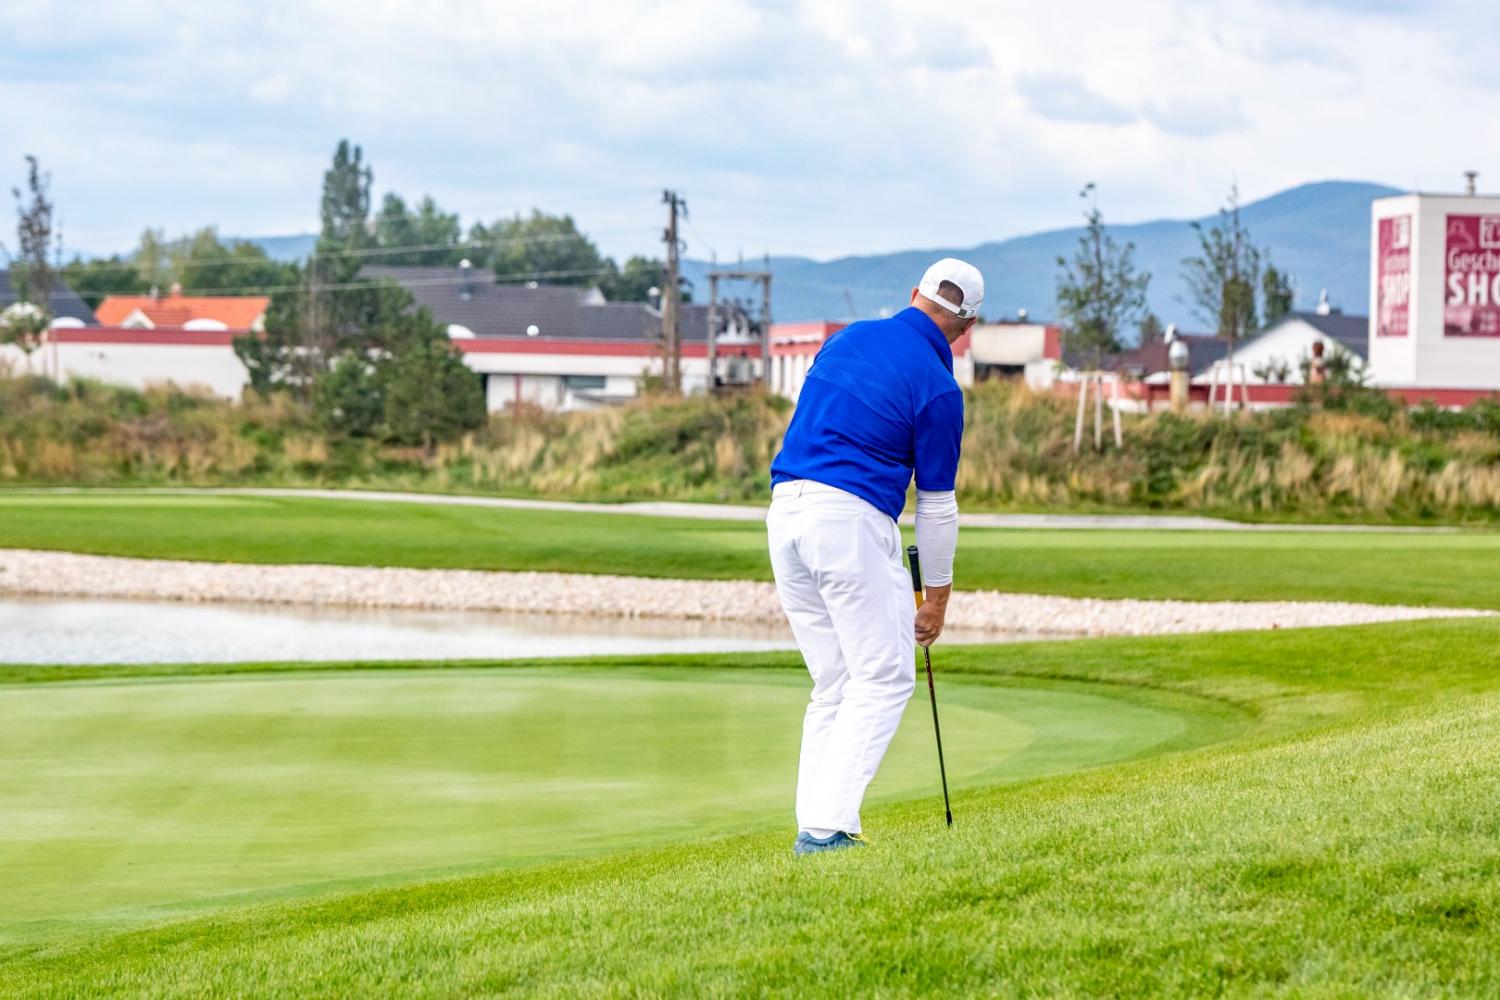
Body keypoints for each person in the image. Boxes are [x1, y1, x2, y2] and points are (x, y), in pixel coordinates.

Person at [766, 258, 981, 856]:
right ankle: (827, 831)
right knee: (884, 676)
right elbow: (936, 505)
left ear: (914, 294)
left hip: (785, 514)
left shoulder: (846, 339)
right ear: (967, 327)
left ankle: (815, 825)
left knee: (835, 681)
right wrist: (936, 600)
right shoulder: (939, 389)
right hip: (847, 521)